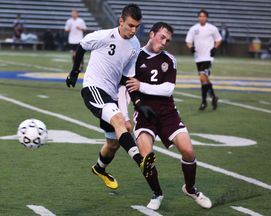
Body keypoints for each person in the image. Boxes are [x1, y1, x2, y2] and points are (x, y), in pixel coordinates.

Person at [66, 4, 156, 191]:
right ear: (121, 21)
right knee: (118, 121)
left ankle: (100, 168)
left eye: (137, 27)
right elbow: (82, 45)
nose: (134, 30)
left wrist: (137, 102)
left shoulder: (135, 46)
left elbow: (126, 78)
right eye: (130, 25)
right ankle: (140, 161)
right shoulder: (104, 36)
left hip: (111, 94)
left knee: (113, 143)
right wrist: (75, 71)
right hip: (93, 89)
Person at [125, 22, 212, 210]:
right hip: (144, 114)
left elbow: (168, 89)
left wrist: (142, 86)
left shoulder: (170, 59)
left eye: (168, 40)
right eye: (162, 37)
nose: (164, 42)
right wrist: (125, 114)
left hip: (168, 113)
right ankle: (157, 194)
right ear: (152, 34)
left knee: (188, 151)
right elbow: (127, 87)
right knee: (146, 157)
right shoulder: (135, 56)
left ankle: (190, 188)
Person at [185, 9, 222, 111]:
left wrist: (215, 48)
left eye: (203, 16)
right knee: (204, 80)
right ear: (198, 17)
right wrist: (191, 47)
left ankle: (204, 102)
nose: (202, 18)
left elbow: (218, 39)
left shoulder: (212, 28)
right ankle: (214, 97)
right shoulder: (194, 29)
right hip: (198, 58)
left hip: (208, 57)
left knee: (202, 77)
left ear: (206, 17)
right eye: (200, 16)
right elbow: (188, 41)